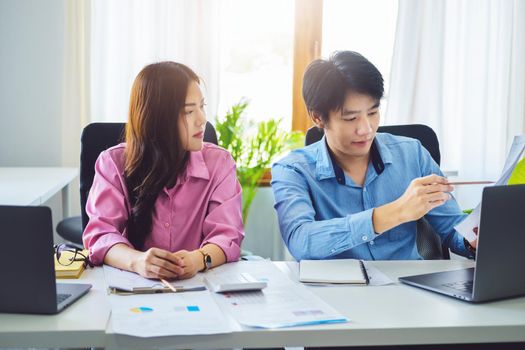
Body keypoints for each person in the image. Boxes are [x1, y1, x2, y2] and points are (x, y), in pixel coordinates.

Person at [271, 51, 477, 261]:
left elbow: (453, 230)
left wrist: (474, 239)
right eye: (351, 118)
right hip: (336, 292)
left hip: (407, 289)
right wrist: (394, 212)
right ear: (318, 117)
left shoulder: (412, 153)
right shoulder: (292, 170)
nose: (366, 129)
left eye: (372, 113)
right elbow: (301, 241)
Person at [83, 62, 244, 279]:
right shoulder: (112, 163)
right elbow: (100, 235)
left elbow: (228, 235)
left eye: (202, 106)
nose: (202, 119)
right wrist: (137, 261)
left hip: (199, 287)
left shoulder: (220, 163)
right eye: (189, 111)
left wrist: (198, 259)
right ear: (158, 118)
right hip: (131, 288)